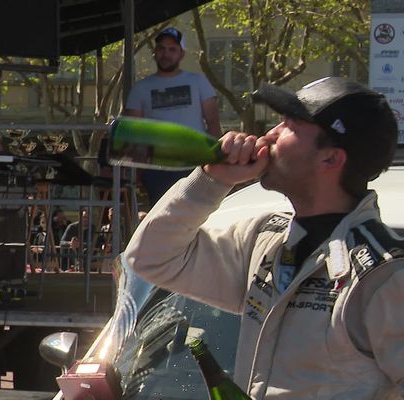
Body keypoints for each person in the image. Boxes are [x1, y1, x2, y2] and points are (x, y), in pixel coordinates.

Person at [124, 77, 404, 399]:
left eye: (289, 125)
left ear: (330, 159)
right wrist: (212, 180)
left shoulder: (384, 276)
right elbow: (149, 259)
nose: (269, 134)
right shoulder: (264, 237)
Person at [123, 27, 222, 206]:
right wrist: (137, 173)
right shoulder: (140, 89)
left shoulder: (198, 81)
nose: (165, 54)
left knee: (197, 215)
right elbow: (134, 133)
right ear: (155, 52)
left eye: (172, 49)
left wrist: (216, 159)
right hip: (157, 168)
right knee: (162, 217)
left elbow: (213, 122)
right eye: (161, 48)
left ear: (181, 54)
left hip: (195, 164)